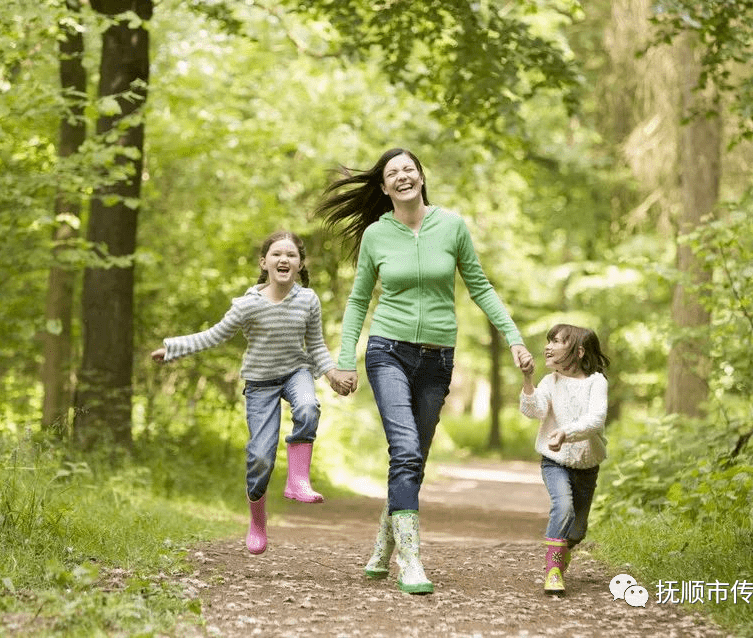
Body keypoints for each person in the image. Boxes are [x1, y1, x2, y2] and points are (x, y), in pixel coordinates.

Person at [315, 147, 534, 594]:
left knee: (413, 460)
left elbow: (479, 284)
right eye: (392, 173)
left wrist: (513, 336)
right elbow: (359, 300)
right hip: (387, 351)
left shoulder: (451, 226)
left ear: (420, 177)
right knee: (407, 451)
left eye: (408, 169)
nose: (401, 177)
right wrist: (344, 359)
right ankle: (410, 562)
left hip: (438, 358)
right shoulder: (378, 234)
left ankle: (383, 543)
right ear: (383, 187)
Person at [151, 231, 354, 555]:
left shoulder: (308, 300)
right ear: (264, 262)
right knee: (260, 457)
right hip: (260, 382)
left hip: (295, 372)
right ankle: (257, 521)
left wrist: (330, 373)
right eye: (276, 254)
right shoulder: (248, 305)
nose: (283, 259)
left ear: (300, 264)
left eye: (291, 254)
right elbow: (213, 335)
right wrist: (172, 348)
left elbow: (315, 346)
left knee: (308, 407)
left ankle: (297, 481)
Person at [519, 323, 610, 596]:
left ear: (579, 351)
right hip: (554, 461)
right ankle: (553, 571)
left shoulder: (596, 382)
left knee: (577, 531)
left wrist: (565, 432)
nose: (548, 346)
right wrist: (527, 380)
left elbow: (595, 419)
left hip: (587, 466)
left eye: (556, 341)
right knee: (564, 506)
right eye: (549, 341)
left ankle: (562, 550)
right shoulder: (550, 382)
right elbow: (533, 411)